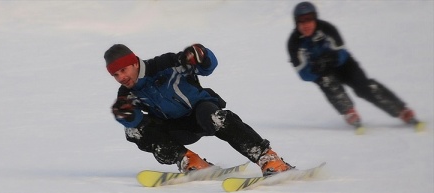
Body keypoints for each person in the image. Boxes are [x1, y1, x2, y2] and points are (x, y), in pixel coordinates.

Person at [104, 43, 293, 176]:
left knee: (213, 117)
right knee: (133, 130)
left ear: (135, 63)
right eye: (115, 74)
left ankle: (267, 157)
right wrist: (126, 116)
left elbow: (206, 67)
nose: (121, 77)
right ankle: (189, 161)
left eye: (123, 70)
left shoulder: (166, 63)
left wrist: (200, 55)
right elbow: (136, 120)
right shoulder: (126, 93)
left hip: (200, 112)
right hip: (177, 128)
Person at [287, 1, 421, 128]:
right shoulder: (294, 43)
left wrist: (332, 58)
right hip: (320, 72)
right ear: (296, 22)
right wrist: (316, 68)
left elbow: (342, 52)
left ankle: (401, 110)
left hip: (344, 65)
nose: (306, 25)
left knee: (364, 87)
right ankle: (348, 111)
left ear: (315, 18)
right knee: (328, 82)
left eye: (309, 19)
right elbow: (303, 73)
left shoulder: (327, 29)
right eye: (301, 21)